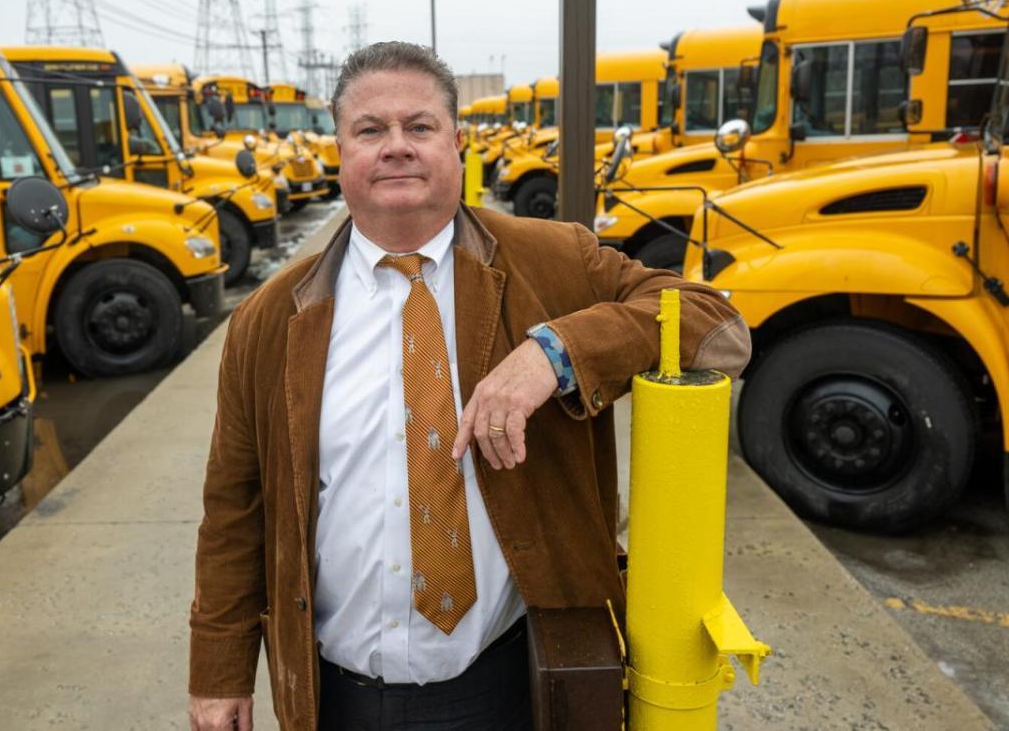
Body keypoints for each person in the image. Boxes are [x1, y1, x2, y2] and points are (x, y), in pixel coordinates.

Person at [188, 42, 749, 731]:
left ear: (457, 143)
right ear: (340, 150)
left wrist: (556, 353)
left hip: (506, 683)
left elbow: (714, 320)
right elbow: (233, 506)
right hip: (335, 698)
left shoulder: (554, 261)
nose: (396, 146)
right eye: (371, 130)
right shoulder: (269, 320)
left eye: (419, 127)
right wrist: (219, 672)